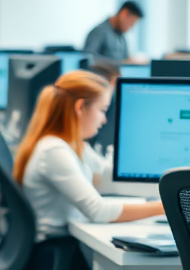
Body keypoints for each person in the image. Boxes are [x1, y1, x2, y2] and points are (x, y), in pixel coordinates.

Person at [14, 69, 164, 239]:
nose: (104, 119)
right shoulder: (54, 150)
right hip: (56, 249)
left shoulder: (74, 145)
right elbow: (98, 211)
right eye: (102, 110)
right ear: (79, 107)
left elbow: (105, 180)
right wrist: (165, 207)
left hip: (70, 240)